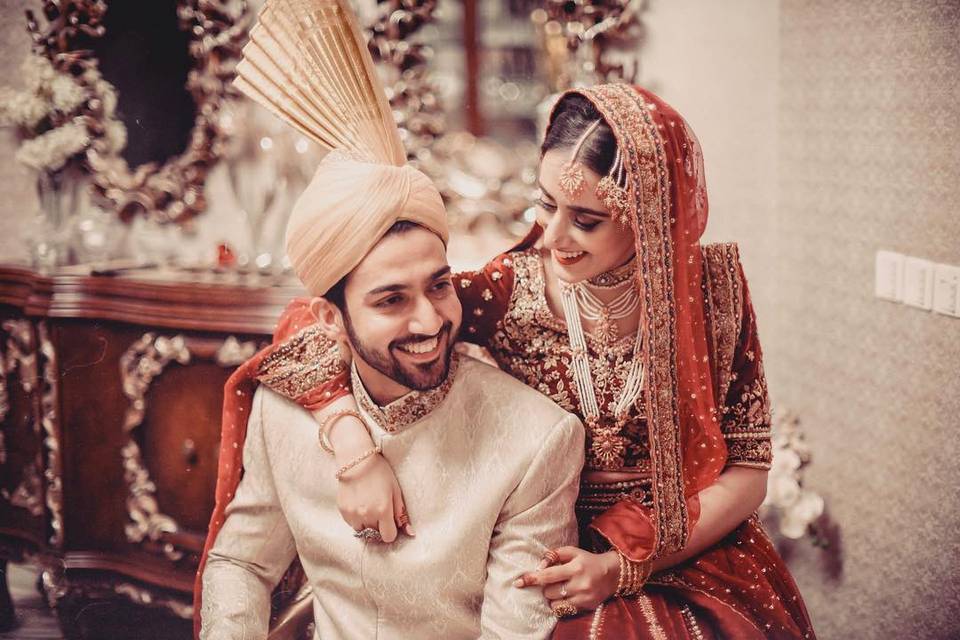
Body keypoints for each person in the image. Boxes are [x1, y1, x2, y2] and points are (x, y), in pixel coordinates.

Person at [253, 83, 816, 639]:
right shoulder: (509, 289)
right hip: (548, 544)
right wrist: (353, 448)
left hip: (689, 548)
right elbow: (313, 318)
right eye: (547, 204)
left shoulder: (712, 293)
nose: (553, 236)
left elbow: (746, 472)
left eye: (586, 219)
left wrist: (625, 565)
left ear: (649, 213)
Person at [195, 1, 584, 637]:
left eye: (438, 286)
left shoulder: (535, 439)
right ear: (331, 315)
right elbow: (240, 560)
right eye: (390, 299)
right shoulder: (285, 409)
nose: (430, 320)